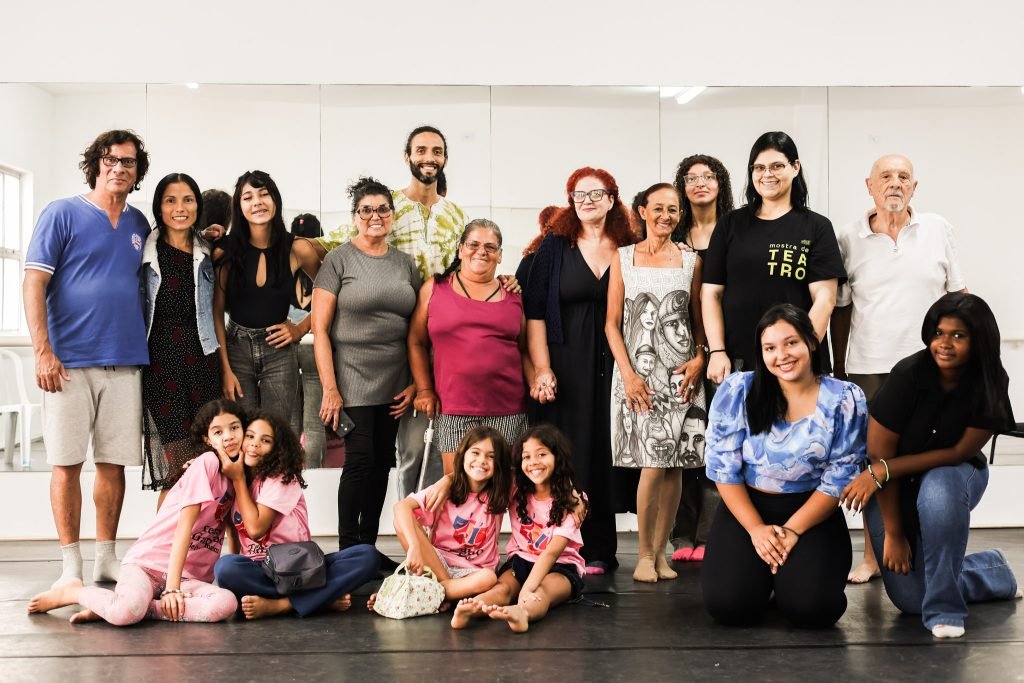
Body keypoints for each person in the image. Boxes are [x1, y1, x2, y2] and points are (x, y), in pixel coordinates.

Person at [840, 293, 1020, 639]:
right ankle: (993, 570)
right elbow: (879, 458)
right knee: (911, 599)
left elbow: (957, 453)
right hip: (892, 487)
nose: (945, 344)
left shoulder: (990, 381)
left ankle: (946, 611)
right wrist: (892, 532)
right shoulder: (907, 375)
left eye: (958, 335)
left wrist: (885, 470)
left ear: (978, 340)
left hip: (956, 475)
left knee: (938, 487)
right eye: (939, 333)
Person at [830, 154, 967, 584]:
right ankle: (872, 555)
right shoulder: (847, 236)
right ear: (868, 185)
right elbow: (841, 309)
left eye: (903, 177)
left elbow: (958, 299)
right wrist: (838, 368)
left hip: (931, 370)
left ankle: (931, 553)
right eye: (885, 177)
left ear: (915, 187)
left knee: (924, 464)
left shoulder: (937, 229)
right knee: (874, 464)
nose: (894, 183)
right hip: (868, 366)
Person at [23, 129, 152, 586]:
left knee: (113, 464)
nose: (119, 168)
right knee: (66, 464)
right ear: (96, 164)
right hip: (68, 363)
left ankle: (105, 560)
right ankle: (70, 568)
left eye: (129, 162)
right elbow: (34, 283)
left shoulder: (139, 224)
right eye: (111, 159)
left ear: (138, 172)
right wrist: (42, 351)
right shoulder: (61, 213)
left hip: (124, 361)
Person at [315, 126, 469, 498]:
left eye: (436, 150)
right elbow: (330, 247)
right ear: (407, 157)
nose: (428, 157)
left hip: (441, 340)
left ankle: (429, 541)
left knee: (433, 444)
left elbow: (466, 270)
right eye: (420, 150)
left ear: (445, 158)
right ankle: (407, 535)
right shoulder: (387, 208)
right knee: (396, 453)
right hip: (392, 349)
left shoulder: (456, 215)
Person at [702, 304, 866, 628]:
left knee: (813, 609)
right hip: (748, 507)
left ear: (811, 342)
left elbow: (840, 477)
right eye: (770, 348)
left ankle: (786, 582)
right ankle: (764, 580)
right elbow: (723, 468)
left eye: (791, 343)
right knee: (729, 607)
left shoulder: (845, 398)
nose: (782, 355)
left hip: (813, 510)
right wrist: (756, 530)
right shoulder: (738, 390)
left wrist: (792, 530)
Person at [27, 399, 243, 625]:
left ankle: (120, 606)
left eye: (234, 427)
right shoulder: (207, 463)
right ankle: (75, 593)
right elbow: (184, 528)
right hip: (148, 566)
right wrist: (171, 590)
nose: (228, 436)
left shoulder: (240, 476)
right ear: (208, 440)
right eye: (218, 432)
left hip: (191, 577)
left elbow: (233, 528)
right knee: (124, 615)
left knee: (226, 603)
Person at [522, 166, 636, 574]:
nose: (587, 201)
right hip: (566, 363)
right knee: (570, 452)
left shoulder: (629, 245)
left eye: (596, 193)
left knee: (607, 451)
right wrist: (541, 369)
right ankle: (561, 543)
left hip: (616, 364)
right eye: (579, 195)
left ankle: (601, 548)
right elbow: (534, 314)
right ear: (570, 201)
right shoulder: (554, 247)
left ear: (612, 198)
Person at [312, 177, 421, 560]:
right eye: (366, 210)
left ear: (392, 215)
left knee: (381, 464)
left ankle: (368, 550)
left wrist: (415, 382)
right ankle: (347, 552)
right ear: (355, 216)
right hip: (351, 378)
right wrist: (330, 388)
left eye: (383, 209)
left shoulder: (405, 264)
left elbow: (416, 331)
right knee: (359, 461)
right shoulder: (338, 260)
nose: (375, 216)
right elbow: (319, 329)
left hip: (394, 379)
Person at [606, 183, 707, 582]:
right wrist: (629, 375)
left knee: (675, 466)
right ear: (642, 212)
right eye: (659, 208)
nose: (666, 215)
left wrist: (700, 357)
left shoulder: (690, 261)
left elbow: (698, 319)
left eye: (674, 210)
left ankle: (663, 554)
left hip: (681, 374)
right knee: (652, 462)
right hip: (640, 376)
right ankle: (645, 555)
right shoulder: (624, 258)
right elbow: (612, 325)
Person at [702, 131, 845, 384]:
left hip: (798, 365)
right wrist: (717, 351)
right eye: (759, 167)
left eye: (777, 166)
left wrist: (800, 350)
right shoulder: (730, 224)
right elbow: (711, 293)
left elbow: (825, 298)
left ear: (795, 167)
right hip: (739, 363)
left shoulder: (816, 227)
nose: (767, 174)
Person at [213, 409, 380, 619]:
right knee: (225, 568)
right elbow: (233, 532)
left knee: (366, 556)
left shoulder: (281, 478)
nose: (254, 444)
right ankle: (320, 600)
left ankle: (283, 605)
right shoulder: (236, 478)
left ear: (277, 449)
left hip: (304, 570)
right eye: (250, 436)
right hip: (262, 570)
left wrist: (237, 481)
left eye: (265, 440)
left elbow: (255, 529)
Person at [409, 219, 532, 473]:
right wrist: (423, 389)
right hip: (453, 408)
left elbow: (523, 348)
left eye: (490, 247)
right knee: (457, 490)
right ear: (460, 249)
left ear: (499, 255)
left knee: (498, 492)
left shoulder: (514, 295)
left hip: (507, 409)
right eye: (473, 244)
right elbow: (416, 341)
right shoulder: (435, 288)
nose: (481, 251)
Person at [449, 424, 588, 633]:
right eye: (527, 457)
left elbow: (551, 553)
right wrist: (446, 481)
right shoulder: (517, 488)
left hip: (560, 566)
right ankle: (471, 609)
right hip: (521, 561)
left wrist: (527, 590)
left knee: (542, 592)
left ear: (557, 458)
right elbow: (482, 475)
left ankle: (522, 614)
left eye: (542, 454)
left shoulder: (572, 500)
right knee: (502, 589)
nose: (534, 463)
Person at [213, 170, 316, 435]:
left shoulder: (298, 248)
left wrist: (301, 328)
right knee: (240, 435)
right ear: (239, 206)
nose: (257, 202)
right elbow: (215, 313)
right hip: (236, 348)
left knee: (275, 435)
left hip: (279, 351)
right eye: (248, 197)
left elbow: (334, 293)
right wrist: (224, 368)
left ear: (276, 200)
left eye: (264, 194)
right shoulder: (225, 250)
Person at [669, 154, 735, 563]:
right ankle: (681, 534)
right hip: (680, 352)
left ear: (720, 183)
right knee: (683, 441)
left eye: (707, 176)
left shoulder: (736, 229)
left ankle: (712, 534)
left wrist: (713, 350)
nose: (699, 184)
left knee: (720, 442)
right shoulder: (671, 231)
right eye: (690, 178)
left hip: (727, 349)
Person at [142, 173, 221, 498]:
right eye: (170, 200)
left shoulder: (209, 250)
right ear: (159, 207)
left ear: (198, 205)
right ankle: (164, 548)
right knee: (180, 469)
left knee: (209, 464)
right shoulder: (145, 252)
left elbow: (216, 312)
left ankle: (206, 548)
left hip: (203, 363)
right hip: (162, 368)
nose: (180, 207)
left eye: (188, 199)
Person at [388, 426, 512, 609]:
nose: (481, 461)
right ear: (463, 455)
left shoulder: (500, 491)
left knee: (489, 578)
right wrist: (414, 545)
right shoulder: (444, 491)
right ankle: (447, 591)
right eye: (475, 453)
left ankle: (435, 592)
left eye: (491, 456)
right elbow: (401, 507)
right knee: (400, 521)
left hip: (473, 572)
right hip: (439, 563)